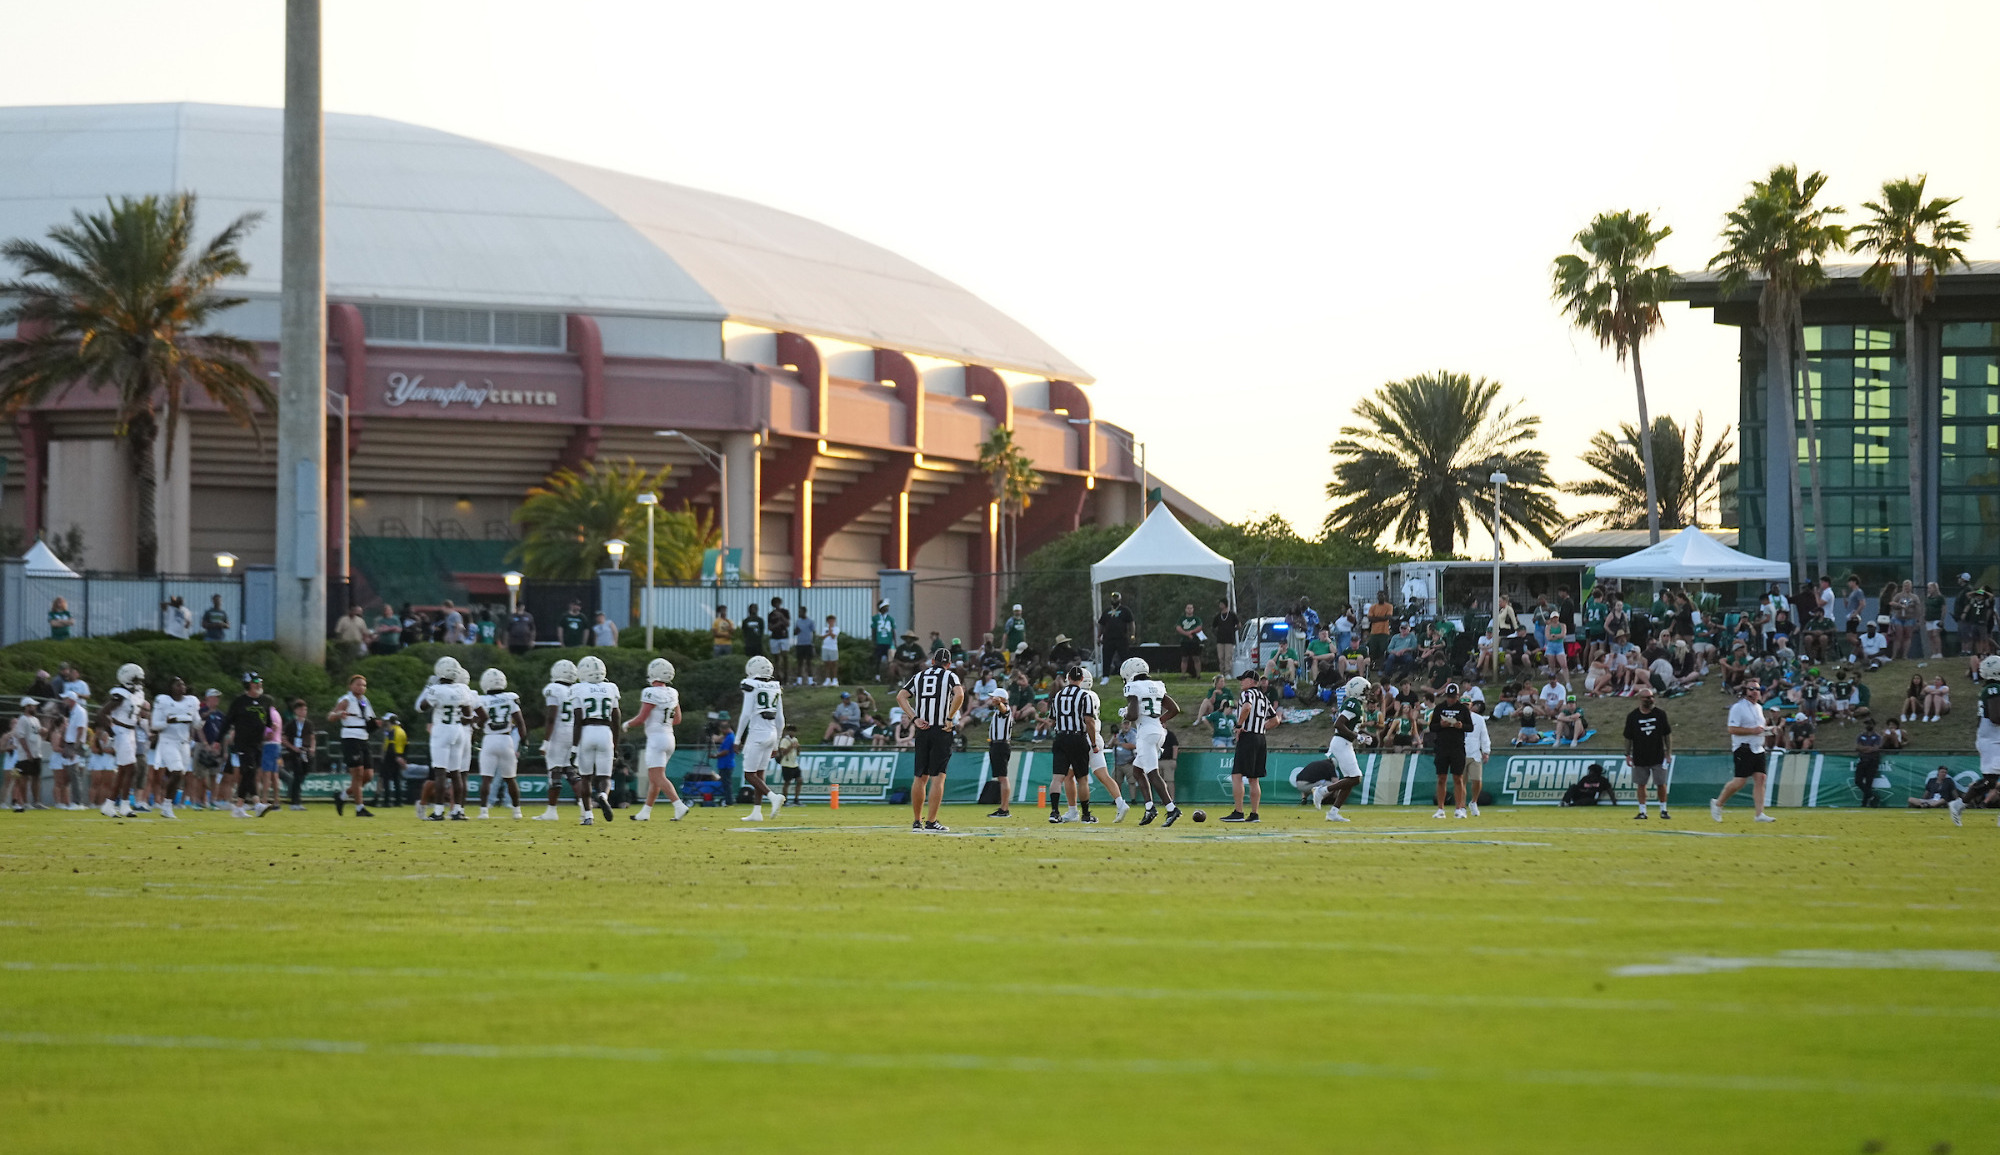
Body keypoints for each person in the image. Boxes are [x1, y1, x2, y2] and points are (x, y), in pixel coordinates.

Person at [895, 647, 963, 831]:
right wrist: (949, 717)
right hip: (941, 729)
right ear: (949, 664)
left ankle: (917, 821)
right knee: (938, 777)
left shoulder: (919, 676)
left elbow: (901, 696)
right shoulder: (950, 676)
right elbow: (960, 694)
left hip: (922, 730)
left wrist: (914, 718)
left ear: (932, 661)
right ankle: (931, 821)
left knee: (920, 777)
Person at [623, 657, 688, 822]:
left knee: (657, 776)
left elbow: (641, 718)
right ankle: (645, 812)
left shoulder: (650, 692)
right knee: (655, 778)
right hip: (670, 737)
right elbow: (678, 719)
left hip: (656, 739)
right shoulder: (673, 692)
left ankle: (679, 805)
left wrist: (627, 724)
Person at [1121, 657, 1183, 826]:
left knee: (1152, 773)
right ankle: (1150, 808)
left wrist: (1125, 713)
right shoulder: (1157, 685)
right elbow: (1174, 709)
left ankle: (1171, 808)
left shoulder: (1133, 687)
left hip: (1146, 734)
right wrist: (1159, 720)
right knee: (1137, 771)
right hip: (1158, 731)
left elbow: (1133, 715)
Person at [414, 659, 474, 821]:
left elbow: (420, 707)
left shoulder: (436, 689)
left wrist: (428, 688)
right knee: (456, 772)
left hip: (442, 731)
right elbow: (468, 715)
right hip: (458, 731)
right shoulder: (463, 688)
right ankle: (457, 811)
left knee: (440, 772)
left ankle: (439, 811)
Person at [1307, 676, 1373, 822]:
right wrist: (1358, 737)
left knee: (1351, 779)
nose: (1368, 693)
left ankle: (1333, 813)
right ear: (1357, 690)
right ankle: (1322, 791)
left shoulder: (1356, 704)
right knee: (1355, 778)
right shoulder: (1353, 703)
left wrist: (1363, 735)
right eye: (1365, 690)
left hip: (1345, 743)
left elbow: (1351, 726)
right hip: (1341, 742)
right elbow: (1338, 724)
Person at [1711, 682, 1775, 823]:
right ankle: (1718, 803)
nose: (1755, 691)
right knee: (1740, 781)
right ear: (1746, 691)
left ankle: (1759, 814)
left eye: (1757, 689)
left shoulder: (1759, 708)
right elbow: (1732, 729)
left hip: (1758, 748)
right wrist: (1753, 731)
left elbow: (1758, 729)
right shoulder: (1738, 708)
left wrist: (1768, 731)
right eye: (1751, 689)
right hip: (1744, 748)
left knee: (1761, 778)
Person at [1045, 665, 1101, 824]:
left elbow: (1052, 720)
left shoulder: (1058, 695)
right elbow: (1089, 721)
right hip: (1078, 738)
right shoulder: (1084, 696)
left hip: (1061, 737)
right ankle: (1085, 814)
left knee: (1057, 778)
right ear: (1082, 679)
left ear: (1068, 678)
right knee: (1082, 779)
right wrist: (1094, 743)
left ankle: (1054, 812)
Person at [568, 655, 621, 826]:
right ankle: (603, 795)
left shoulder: (578, 689)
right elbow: (616, 719)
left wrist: (574, 747)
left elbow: (577, 720)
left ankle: (588, 815)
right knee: (605, 776)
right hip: (605, 732)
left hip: (587, 731)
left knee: (586, 778)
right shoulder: (611, 688)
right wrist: (615, 744)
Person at [735, 655, 788, 822]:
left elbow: (745, 715)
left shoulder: (751, 685)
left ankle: (773, 797)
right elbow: (781, 719)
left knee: (749, 775)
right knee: (760, 773)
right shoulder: (775, 687)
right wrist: (777, 743)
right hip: (772, 733)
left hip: (757, 733)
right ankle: (757, 812)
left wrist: (737, 739)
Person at [466, 668, 524, 819]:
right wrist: (524, 741)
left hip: (490, 739)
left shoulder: (481, 700)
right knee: (510, 778)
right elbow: (520, 722)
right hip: (506, 739)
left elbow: (476, 722)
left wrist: (473, 736)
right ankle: (517, 811)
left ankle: (484, 811)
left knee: (486, 778)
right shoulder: (510, 698)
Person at [95, 663, 148, 818]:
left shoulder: (138, 694)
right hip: (121, 731)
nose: (139, 683)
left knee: (126, 770)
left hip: (131, 732)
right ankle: (120, 804)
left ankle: (114, 805)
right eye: (136, 679)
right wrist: (111, 732)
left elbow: (135, 714)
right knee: (131, 768)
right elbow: (102, 713)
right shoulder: (120, 693)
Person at [224, 673, 278, 819]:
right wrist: (217, 740)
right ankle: (257, 803)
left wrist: (271, 726)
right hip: (243, 743)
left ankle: (238, 807)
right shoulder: (239, 701)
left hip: (257, 743)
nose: (259, 683)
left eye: (259, 681)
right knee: (250, 770)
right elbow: (228, 721)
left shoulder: (265, 700)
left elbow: (265, 719)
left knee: (249, 773)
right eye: (256, 681)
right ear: (249, 684)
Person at [1224, 669, 1275, 822]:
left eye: (1243, 679)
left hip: (1248, 737)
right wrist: (1261, 728)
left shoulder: (1248, 693)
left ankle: (1238, 812)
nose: (1241, 682)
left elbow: (1246, 707)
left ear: (1252, 681)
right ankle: (1254, 814)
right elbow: (1276, 720)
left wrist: (1239, 725)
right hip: (1260, 738)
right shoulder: (1264, 698)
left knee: (1237, 774)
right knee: (1254, 779)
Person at [532, 660, 579, 821]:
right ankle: (586, 808)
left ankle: (551, 811)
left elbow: (551, 718)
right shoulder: (577, 689)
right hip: (574, 733)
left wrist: (545, 741)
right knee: (571, 772)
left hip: (559, 733)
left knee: (555, 772)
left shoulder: (554, 689)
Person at [326, 674, 378, 818]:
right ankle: (359, 807)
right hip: (351, 737)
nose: (361, 687)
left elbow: (370, 719)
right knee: (358, 773)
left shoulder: (365, 701)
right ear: (351, 686)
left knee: (368, 775)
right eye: (358, 684)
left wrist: (377, 724)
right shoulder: (346, 700)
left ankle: (343, 795)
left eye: (364, 685)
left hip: (364, 738)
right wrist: (339, 714)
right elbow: (330, 716)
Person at [1623, 688, 1672, 820]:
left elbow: (1667, 735)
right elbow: (1628, 737)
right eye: (1647, 697)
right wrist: (1627, 754)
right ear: (1640, 699)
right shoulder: (1633, 716)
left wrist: (1668, 753)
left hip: (1658, 755)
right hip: (1640, 756)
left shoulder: (1660, 714)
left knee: (1661, 783)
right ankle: (1642, 811)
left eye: (1652, 697)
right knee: (1641, 784)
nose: (1651, 700)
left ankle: (1663, 809)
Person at [1428, 682, 1473, 819]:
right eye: (1449, 697)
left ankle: (1459, 808)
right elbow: (1432, 727)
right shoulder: (1439, 708)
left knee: (1458, 777)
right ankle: (1440, 809)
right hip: (1442, 746)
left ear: (1457, 696)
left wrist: (1461, 726)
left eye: (1453, 697)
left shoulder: (1463, 709)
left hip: (1457, 747)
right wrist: (1441, 724)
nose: (1451, 699)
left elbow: (1470, 727)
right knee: (1441, 777)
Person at [980, 691, 1014, 818]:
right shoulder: (999, 711)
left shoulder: (1005, 710)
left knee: (1002, 777)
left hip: (1000, 745)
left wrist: (999, 703)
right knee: (1001, 777)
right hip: (997, 745)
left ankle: (1004, 809)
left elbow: (1003, 709)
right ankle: (1003, 808)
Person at [279, 697, 315, 811]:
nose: (303, 712)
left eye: (305, 710)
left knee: (302, 775)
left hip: (305, 751)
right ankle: (295, 801)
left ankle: (295, 798)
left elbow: (312, 737)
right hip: (295, 752)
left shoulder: (308, 724)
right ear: (296, 711)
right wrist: (292, 747)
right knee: (297, 774)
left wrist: (312, 748)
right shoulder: (291, 724)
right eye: (301, 710)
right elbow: (284, 738)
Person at [1097, 592, 1134, 686]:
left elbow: (1131, 623)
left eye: (1116, 598)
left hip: (1121, 638)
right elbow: (1101, 624)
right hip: (1108, 639)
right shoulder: (1106, 611)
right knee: (1106, 658)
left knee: (1124, 658)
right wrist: (1098, 636)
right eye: (1113, 598)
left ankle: (1128, 676)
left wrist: (1132, 635)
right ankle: (1105, 677)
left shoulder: (1125, 610)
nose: (1114, 600)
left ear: (1120, 599)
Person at [1852, 719, 1885, 808]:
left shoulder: (1877, 736)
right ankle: (1872, 796)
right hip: (1863, 760)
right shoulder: (1861, 736)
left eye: (1869, 724)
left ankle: (1864, 803)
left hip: (1873, 761)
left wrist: (1864, 749)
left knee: (1869, 782)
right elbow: (1857, 747)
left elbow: (1876, 748)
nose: (1868, 725)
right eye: (1866, 724)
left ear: (1874, 725)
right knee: (1858, 781)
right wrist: (1869, 748)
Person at [766, 598, 792, 684]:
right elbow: (770, 627)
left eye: (778, 603)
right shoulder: (771, 614)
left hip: (784, 636)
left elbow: (787, 623)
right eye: (775, 603)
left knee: (785, 656)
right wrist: (778, 624)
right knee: (776, 657)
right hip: (775, 637)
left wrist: (781, 616)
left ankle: (786, 676)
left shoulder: (785, 612)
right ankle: (778, 676)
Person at [1213, 599, 1241, 676]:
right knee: (1221, 657)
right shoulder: (1218, 616)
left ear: (1225, 605)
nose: (1220, 605)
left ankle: (1227, 672)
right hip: (1220, 640)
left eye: (1221, 604)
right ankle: (1222, 672)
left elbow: (1239, 624)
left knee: (1228, 657)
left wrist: (1233, 630)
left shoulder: (1232, 615)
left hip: (1229, 640)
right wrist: (1217, 633)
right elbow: (1214, 626)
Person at [1174, 603, 1203, 677]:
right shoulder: (1182, 619)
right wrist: (1186, 634)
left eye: (1191, 608)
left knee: (1196, 658)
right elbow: (1178, 628)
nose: (1189, 610)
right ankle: (1183, 675)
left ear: (1193, 609)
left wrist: (1191, 632)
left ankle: (1198, 675)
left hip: (1194, 641)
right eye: (1188, 608)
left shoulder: (1196, 619)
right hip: (1184, 641)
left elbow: (1199, 627)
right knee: (1184, 658)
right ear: (1185, 609)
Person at [872, 600, 900, 679]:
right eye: (886, 607)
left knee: (890, 660)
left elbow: (893, 630)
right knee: (878, 659)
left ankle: (889, 676)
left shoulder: (890, 619)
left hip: (888, 642)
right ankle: (877, 676)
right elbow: (874, 630)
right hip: (879, 642)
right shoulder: (876, 618)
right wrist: (874, 642)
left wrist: (895, 642)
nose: (887, 608)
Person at [792, 609, 816, 686]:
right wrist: (796, 630)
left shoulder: (810, 621)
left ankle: (810, 680)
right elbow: (795, 633)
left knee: (809, 662)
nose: (800, 613)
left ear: (805, 612)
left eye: (801, 612)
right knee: (800, 663)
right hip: (800, 644)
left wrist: (813, 643)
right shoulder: (798, 621)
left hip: (808, 644)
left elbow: (813, 631)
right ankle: (799, 681)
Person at [819, 614, 842, 686]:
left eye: (832, 620)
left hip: (833, 648)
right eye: (829, 620)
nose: (831, 622)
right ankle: (827, 679)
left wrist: (830, 631)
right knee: (826, 664)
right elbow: (822, 637)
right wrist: (828, 633)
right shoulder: (824, 629)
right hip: (825, 647)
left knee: (833, 664)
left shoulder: (836, 628)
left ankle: (835, 680)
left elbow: (833, 636)